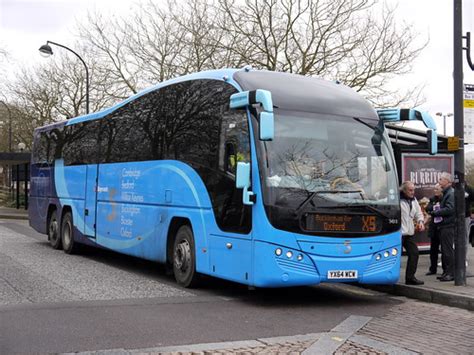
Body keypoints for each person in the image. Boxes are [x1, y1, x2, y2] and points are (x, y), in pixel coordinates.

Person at [429, 172, 455, 282]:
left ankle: (450, 273)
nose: (439, 181)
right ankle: (446, 272)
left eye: (441, 179)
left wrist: (436, 212)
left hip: (448, 225)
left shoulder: (450, 193)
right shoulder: (446, 193)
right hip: (444, 225)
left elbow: (450, 209)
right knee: (444, 250)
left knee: (447, 250)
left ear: (447, 181)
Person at [400, 181, 425, 285]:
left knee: (414, 253)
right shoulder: (397, 200)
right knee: (395, 256)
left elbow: (418, 213)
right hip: (398, 233)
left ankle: (410, 278)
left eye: (413, 190)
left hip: (409, 233)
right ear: (404, 190)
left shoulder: (413, 200)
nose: (412, 192)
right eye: (410, 190)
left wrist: (420, 222)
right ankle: (387, 276)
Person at [425, 184, 443, 276]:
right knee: (433, 249)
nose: (435, 191)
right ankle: (433, 268)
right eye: (434, 189)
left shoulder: (445, 198)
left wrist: (436, 210)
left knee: (444, 249)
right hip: (434, 227)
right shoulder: (433, 199)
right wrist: (434, 208)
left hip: (442, 226)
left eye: (437, 189)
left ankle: (446, 269)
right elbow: (427, 208)